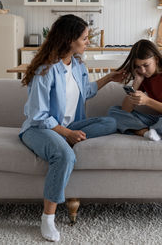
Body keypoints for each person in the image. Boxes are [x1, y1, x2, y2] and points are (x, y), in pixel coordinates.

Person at [19, 14, 124, 242]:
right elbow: (38, 114)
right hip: (39, 129)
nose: (88, 42)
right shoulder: (45, 70)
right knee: (65, 156)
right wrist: (66, 134)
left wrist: (110, 78)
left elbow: (85, 91)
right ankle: (48, 218)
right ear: (69, 40)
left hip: (68, 126)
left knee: (110, 122)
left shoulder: (76, 65)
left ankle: (64, 139)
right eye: (85, 38)